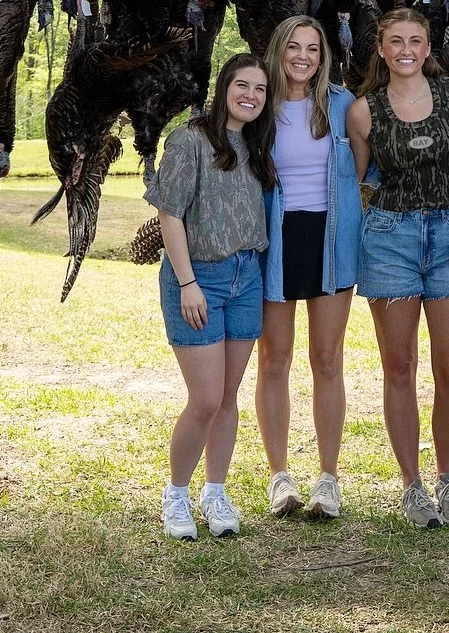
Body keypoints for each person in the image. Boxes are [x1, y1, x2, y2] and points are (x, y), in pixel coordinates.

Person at [345, 7, 449, 529]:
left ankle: (448, 479)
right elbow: (356, 178)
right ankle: (412, 486)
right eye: (395, 41)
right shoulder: (363, 112)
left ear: (428, 48)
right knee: (399, 368)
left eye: (416, 41)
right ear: (381, 49)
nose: (406, 50)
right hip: (389, 237)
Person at [147, 53, 277, 542]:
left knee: (227, 398)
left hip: (249, 278)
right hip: (201, 277)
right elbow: (170, 215)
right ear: (224, 87)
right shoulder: (189, 140)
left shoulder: (257, 146)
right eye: (242, 85)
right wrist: (187, 283)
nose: (251, 96)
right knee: (203, 398)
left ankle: (215, 490)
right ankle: (176, 494)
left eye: (260, 90)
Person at [257, 15, 362, 521]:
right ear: (279, 50)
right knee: (274, 359)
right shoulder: (259, 105)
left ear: (323, 57)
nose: (303, 57)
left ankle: (327, 479)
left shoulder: (342, 106)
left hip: (332, 239)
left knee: (327, 359)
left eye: (313, 49)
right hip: (275, 239)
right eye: (294, 46)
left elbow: (370, 166)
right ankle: (279, 477)